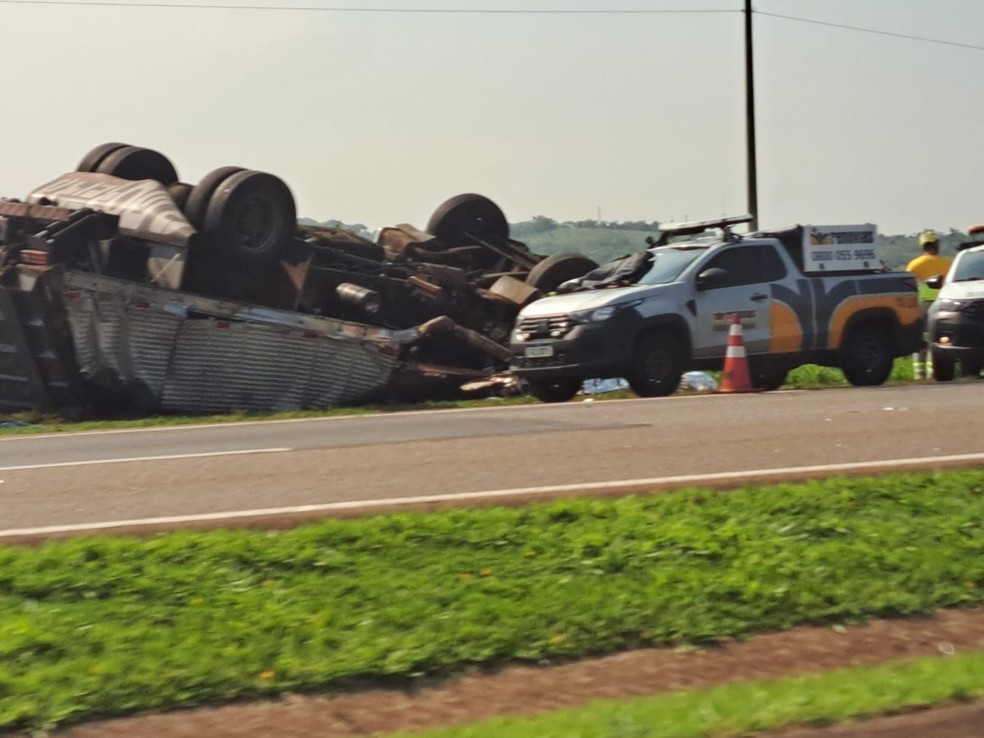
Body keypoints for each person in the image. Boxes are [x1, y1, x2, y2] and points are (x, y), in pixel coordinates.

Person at [906, 229, 952, 379]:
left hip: (922, 305)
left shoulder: (914, 264)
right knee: (940, 338)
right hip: (943, 305)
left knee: (921, 338)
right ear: (936, 244)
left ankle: (920, 373)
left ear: (922, 246)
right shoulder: (947, 263)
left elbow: (908, 285)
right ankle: (936, 371)